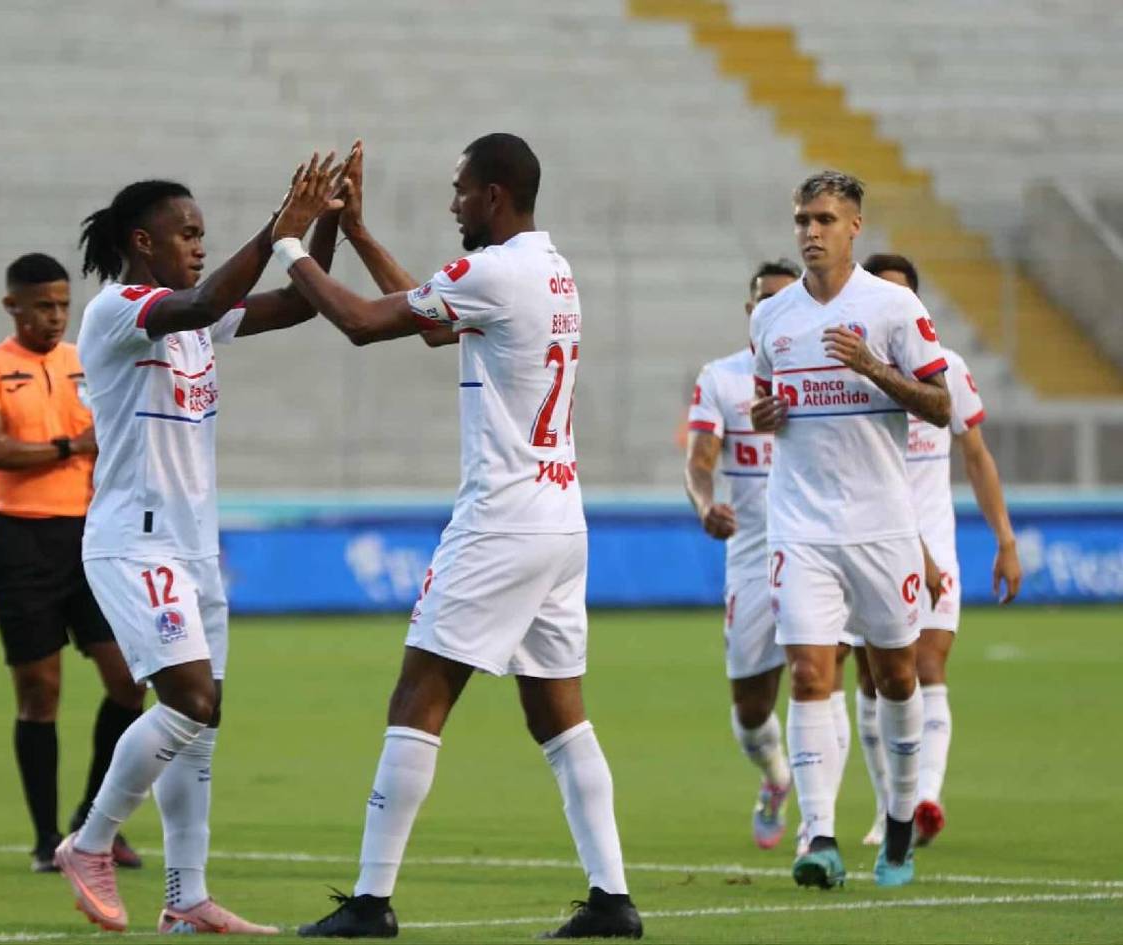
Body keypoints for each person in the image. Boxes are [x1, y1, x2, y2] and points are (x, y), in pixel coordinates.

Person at [271, 134, 643, 940]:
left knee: (418, 698)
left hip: (501, 520)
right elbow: (439, 326)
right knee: (559, 717)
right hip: (558, 518)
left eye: (461, 190)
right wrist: (362, 235)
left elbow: (367, 324)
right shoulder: (552, 270)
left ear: (496, 195)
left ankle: (370, 903)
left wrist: (290, 244)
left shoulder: (494, 271)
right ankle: (611, 898)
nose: (453, 204)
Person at [53, 153, 348, 935]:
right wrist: (275, 226)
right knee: (189, 699)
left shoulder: (194, 316)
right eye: (187, 233)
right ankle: (88, 842)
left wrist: (328, 222)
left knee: (201, 725)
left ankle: (186, 897)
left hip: (193, 550)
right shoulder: (119, 311)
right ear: (141, 241)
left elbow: (299, 304)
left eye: (203, 234)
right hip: (134, 544)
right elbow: (207, 297)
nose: (199, 244)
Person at [749, 170, 952, 889]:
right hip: (800, 527)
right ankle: (821, 835)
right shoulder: (772, 318)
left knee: (895, 678)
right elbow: (766, 403)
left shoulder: (893, 308)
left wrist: (872, 368)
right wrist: (763, 416)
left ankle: (898, 819)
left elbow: (940, 404)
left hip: (882, 528)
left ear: (855, 226)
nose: (810, 231)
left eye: (825, 219)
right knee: (809, 672)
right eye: (803, 218)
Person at [0, 253, 146, 874]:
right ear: (13, 306)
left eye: (63, 304)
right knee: (41, 694)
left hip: (91, 540)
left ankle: (92, 821)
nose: (56, 316)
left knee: (129, 681)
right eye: (43, 305)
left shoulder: (83, 362)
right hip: (23, 544)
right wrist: (70, 445)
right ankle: (44, 842)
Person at [848, 252, 1022, 848]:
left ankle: (925, 797)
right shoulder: (852, 375)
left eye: (903, 296)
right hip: (871, 540)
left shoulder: (947, 368)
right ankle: (888, 807)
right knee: (876, 682)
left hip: (937, 542)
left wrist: (1004, 540)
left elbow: (975, 455)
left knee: (927, 668)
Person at [683, 259, 800, 850]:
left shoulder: (825, 378)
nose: (768, 307)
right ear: (750, 311)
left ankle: (825, 828)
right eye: (760, 300)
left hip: (819, 548)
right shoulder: (723, 379)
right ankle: (777, 778)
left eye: (783, 297)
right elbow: (701, 462)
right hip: (753, 560)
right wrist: (706, 506)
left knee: (818, 681)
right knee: (752, 712)